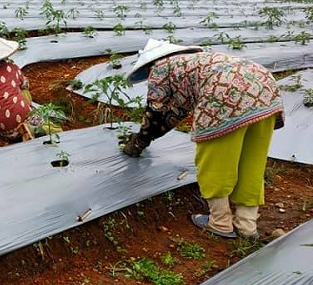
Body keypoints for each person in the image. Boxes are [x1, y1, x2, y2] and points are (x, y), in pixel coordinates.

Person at [120, 39, 285, 239]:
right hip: (266, 91)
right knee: (251, 162)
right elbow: (174, 114)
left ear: (150, 63)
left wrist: (139, 142)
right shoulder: (197, 62)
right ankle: (247, 226)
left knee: (214, 161)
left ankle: (221, 222)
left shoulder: (161, 68)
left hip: (225, 95)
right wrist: (147, 137)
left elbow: (155, 113)